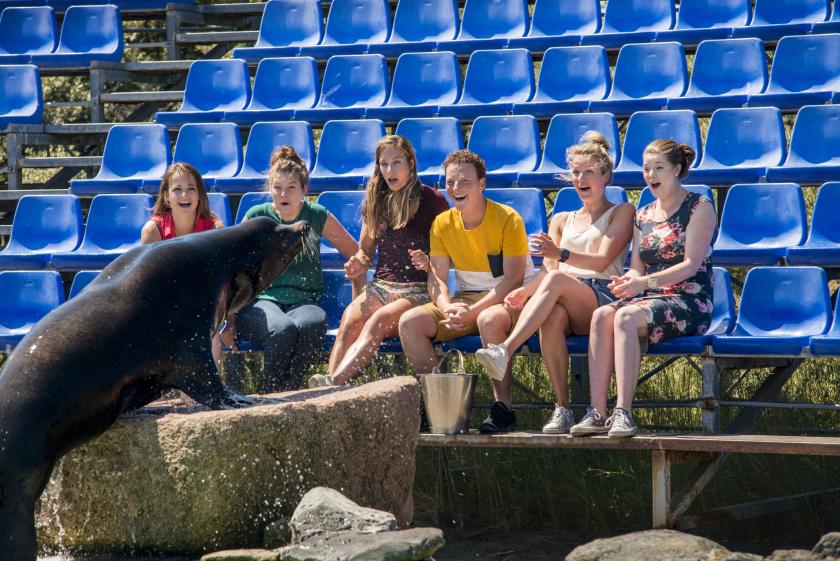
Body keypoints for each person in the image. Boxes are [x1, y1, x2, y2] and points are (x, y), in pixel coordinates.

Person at [473, 132, 635, 434]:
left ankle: (505, 350)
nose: (581, 178)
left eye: (589, 172)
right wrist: (525, 291)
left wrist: (561, 254)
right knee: (551, 319)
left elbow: (601, 261)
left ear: (606, 175)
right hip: (562, 296)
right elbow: (547, 272)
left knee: (560, 279)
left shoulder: (622, 212)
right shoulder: (561, 218)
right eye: (575, 172)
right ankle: (562, 408)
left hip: (601, 298)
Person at [570, 139, 716, 438]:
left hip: (689, 301)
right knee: (601, 316)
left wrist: (643, 283)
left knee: (624, 318)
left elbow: (690, 265)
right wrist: (628, 282)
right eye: (646, 169)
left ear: (676, 169)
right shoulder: (644, 213)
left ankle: (623, 412)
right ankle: (597, 412)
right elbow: (637, 266)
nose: (651, 175)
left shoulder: (699, 206)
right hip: (651, 300)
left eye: (659, 168)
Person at [398, 149, 536, 433]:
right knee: (410, 323)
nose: (456, 188)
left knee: (489, 319)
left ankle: (503, 408)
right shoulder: (443, 222)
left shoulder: (508, 219)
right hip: (466, 298)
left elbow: (512, 280)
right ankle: (437, 404)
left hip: (512, 297)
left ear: (482, 184)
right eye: (450, 182)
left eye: (464, 182)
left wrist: (472, 311)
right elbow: (436, 276)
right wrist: (447, 306)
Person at [308, 135, 449, 388]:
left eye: (396, 163)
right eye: (384, 164)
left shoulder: (432, 200)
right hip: (382, 286)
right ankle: (331, 394)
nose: (389, 170)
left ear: (411, 164)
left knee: (379, 319)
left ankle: (333, 385)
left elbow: (451, 247)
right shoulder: (376, 200)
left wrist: (429, 260)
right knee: (349, 320)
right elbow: (365, 251)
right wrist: (358, 263)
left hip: (419, 289)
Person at [220, 146, 363, 393]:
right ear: (270, 189)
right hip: (260, 302)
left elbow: (357, 254)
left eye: (291, 187)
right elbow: (230, 266)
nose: (283, 194)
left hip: (303, 302)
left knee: (313, 323)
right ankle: (271, 395)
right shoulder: (257, 216)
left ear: (304, 190)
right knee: (282, 329)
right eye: (277, 188)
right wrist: (228, 321)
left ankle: (287, 393)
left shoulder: (316, 215)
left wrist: (356, 275)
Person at [141, 162, 226, 364]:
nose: (184, 196)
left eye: (191, 189)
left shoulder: (214, 228)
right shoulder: (153, 231)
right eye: (177, 190)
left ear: (199, 195)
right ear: (166, 196)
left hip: (203, 303)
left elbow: (219, 281)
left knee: (206, 324)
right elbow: (148, 284)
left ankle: (207, 389)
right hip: (165, 304)